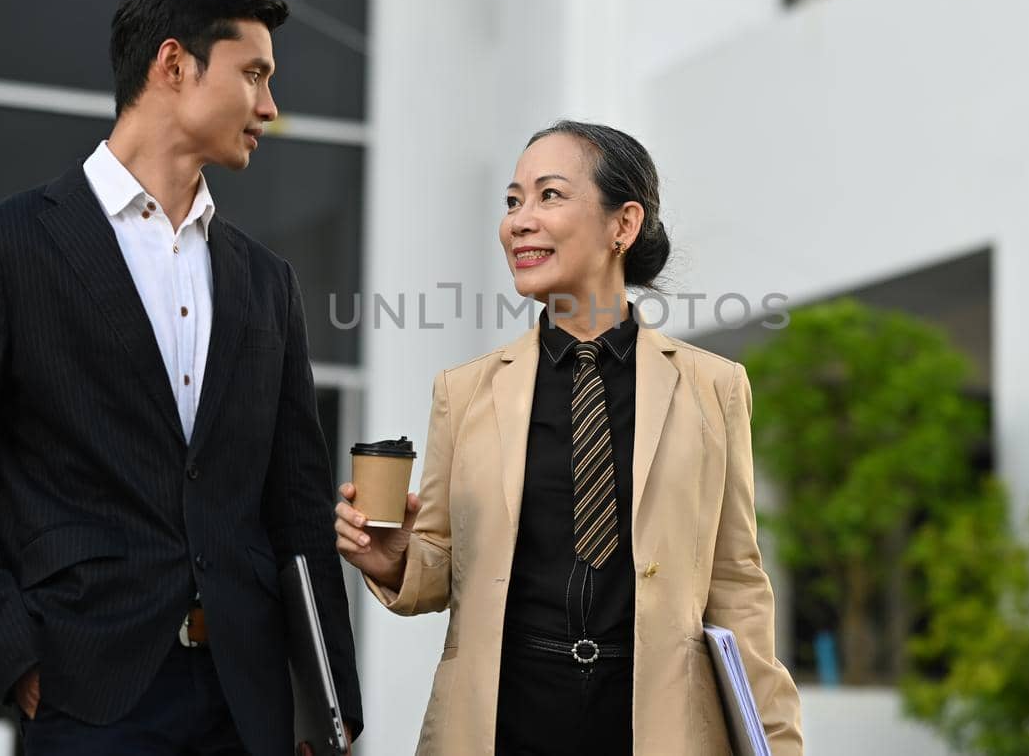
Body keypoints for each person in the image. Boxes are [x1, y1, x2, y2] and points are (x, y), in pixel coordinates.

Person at [0, 0, 361, 755]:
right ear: (174, 65)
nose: (270, 108)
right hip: (88, 694)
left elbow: (299, 506)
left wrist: (328, 697)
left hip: (247, 705)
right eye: (253, 75)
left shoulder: (266, 283)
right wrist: (13, 650)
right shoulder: (3, 250)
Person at [334, 121, 803, 754]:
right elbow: (445, 567)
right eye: (511, 201)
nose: (519, 222)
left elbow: (738, 584)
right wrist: (394, 559)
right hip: (506, 723)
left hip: (654, 727)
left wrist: (777, 742)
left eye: (549, 195)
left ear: (623, 225)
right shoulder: (465, 392)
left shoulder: (713, 389)